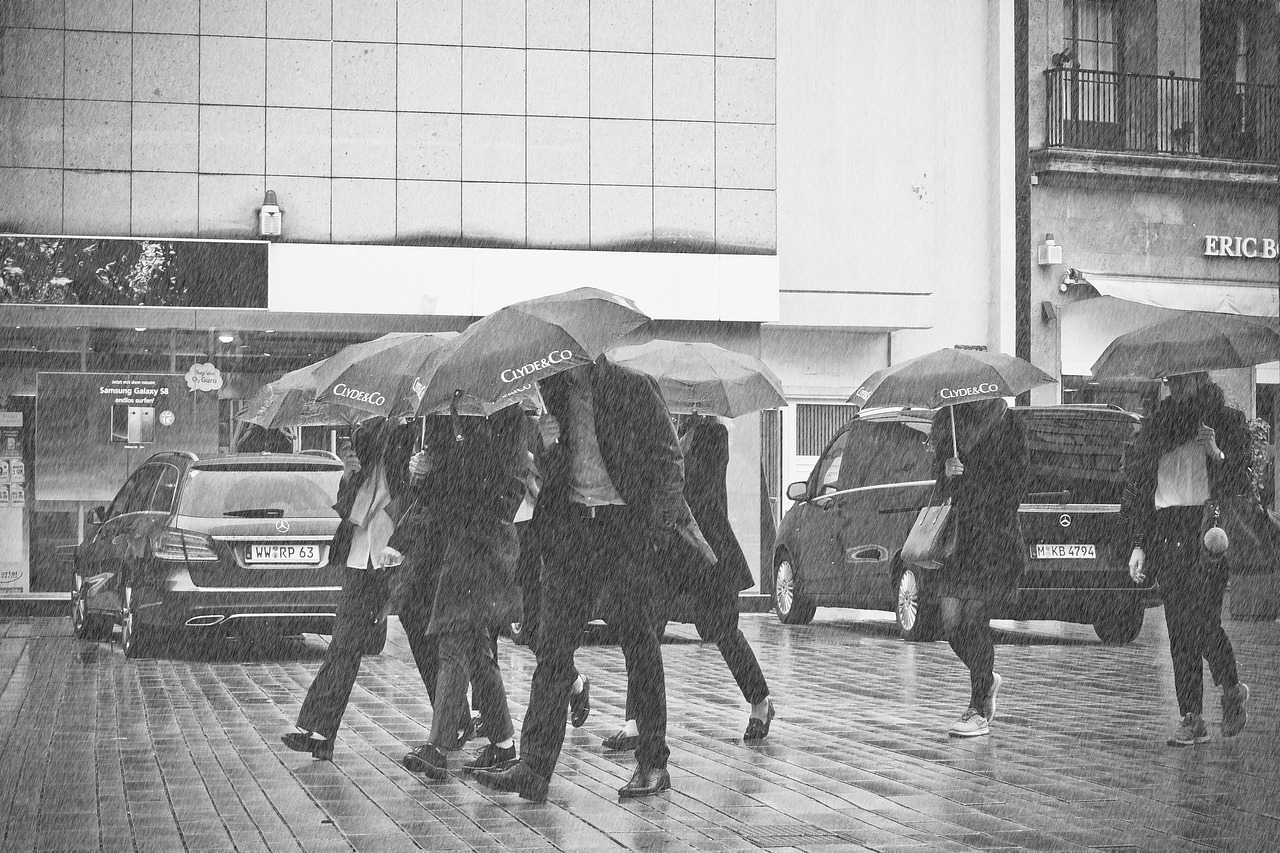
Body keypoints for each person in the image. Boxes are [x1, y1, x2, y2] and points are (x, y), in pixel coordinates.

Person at [472, 357, 716, 803]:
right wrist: (546, 447)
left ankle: (653, 762)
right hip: (573, 530)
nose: (569, 362)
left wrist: (655, 534)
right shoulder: (554, 392)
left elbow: (669, 462)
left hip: (624, 529)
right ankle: (534, 767)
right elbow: (553, 472)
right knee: (554, 647)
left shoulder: (634, 387)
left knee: (639, 644)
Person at [601, 413, 773, 750]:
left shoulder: (713, 434)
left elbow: (702, 493)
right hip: (670, 549)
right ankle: (635, 723)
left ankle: (761, 703)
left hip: (707, 550)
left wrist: (678, 455)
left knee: (721, 630)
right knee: (644, 629)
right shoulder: (671, 432)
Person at [396, 406, 527, 779]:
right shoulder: (446, 415)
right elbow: (438, 495)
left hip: (486, 544)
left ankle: (438, 748)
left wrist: (453, 457)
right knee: (474, 647)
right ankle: (503, 746)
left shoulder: (506, 417)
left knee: (456, 639)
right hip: (454, 544)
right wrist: (420, 471)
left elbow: (504, 491)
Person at [282, 418, 422, 759]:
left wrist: (418, 466)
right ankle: (319, 732)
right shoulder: (364, 437)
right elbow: (349, 505)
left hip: (399, 551)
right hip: (362, 554)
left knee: (425, 640)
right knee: (343, 644)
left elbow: (417, 496)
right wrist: (348, 472)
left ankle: (455, 725)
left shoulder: (416, 430)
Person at [1125, 371, 1251, 746]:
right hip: (1167, 528)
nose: (1176, 388)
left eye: (1183, 381)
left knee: (1202, 620)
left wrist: (1216, 451)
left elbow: (1240, 484)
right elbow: (1144, 487)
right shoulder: (1157, 427)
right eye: (1170, 381)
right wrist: (1139, 543)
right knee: (1179, 625)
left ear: (1200, 379)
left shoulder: (1224, 421)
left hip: (1206, 528)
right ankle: (1192, 717)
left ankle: (1230, 687)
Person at [930, 398, 1029, 738]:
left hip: (993, 539)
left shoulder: (1007, 422)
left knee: (975, 619)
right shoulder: (948, 423)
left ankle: (977, 710)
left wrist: (985, 492)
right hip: (959, 539)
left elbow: (1017, 482)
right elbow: (939, 484)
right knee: (950, 622)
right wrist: (947, 471)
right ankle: (985, 676)